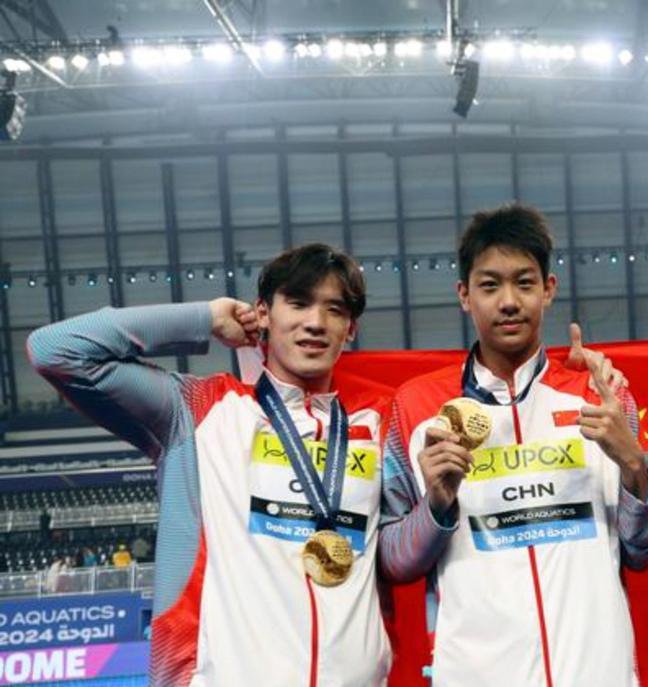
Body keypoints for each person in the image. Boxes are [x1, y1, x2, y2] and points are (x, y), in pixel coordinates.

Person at [29, 243, 393, 686]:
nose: (315, 322)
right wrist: (204, 318)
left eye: (334, 310)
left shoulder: (379, 422)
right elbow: (53, 349)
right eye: (298, 303)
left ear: (350, 328)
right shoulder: (197, 409)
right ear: (264, 313)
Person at [378, 203, 648, 686]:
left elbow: (643, 549)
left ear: (548, 290)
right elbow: (393, 560)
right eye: (490, 286)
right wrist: (437, 505)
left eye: (524, 283)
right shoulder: (417, 406)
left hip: (597, 671)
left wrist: (635, 466)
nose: (509, 302)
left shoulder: (602, 397)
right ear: (465, 295)